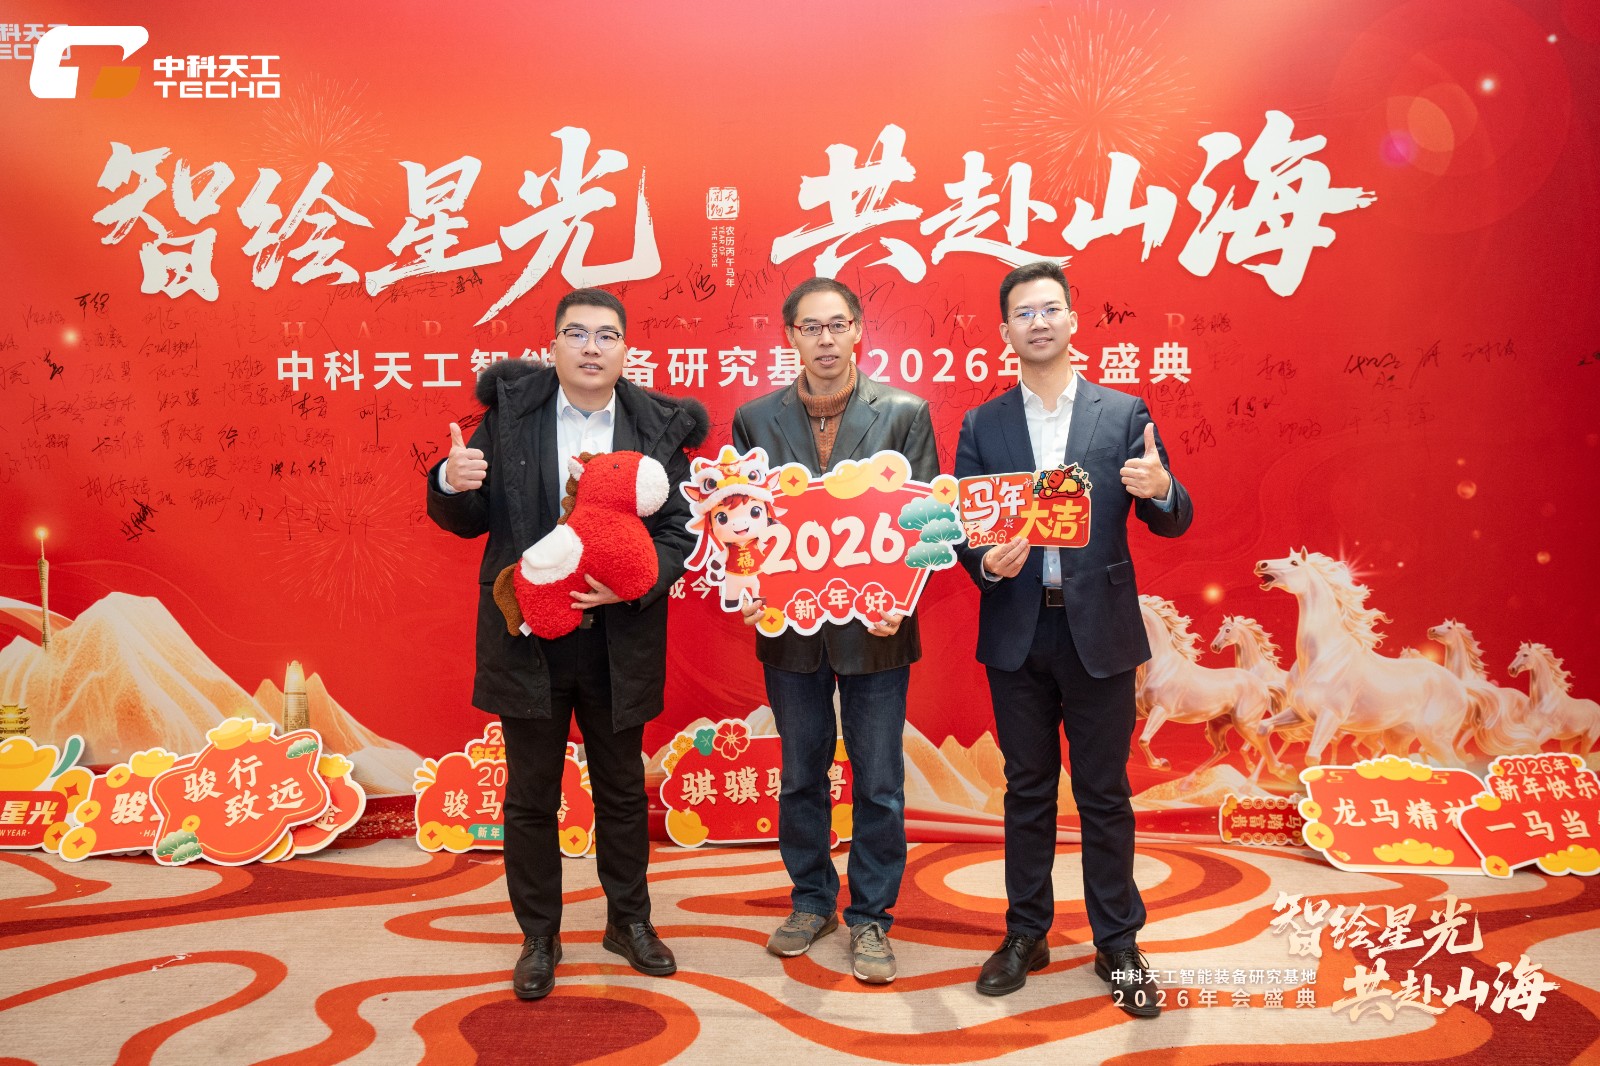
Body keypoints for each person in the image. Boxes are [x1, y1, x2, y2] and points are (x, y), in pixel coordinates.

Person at [426, 287, 707, 1001]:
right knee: (531, 796)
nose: (591, 347)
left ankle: (629, 923)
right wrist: (450, 482)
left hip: (619, 637)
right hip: (528, 638)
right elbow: (467, 515)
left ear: (625, 350)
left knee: (621, 791)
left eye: (606, 335)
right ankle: (539, 936)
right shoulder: (510, 416)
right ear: (552, 345)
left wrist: (634, 583)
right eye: (576, 333)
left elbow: (679, 529)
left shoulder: (656, 427)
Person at [955, 261, 1192, 1015]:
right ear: (1005, 331)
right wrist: (984, 562)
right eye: (1024, 312)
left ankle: (1118, 941)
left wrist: (1163, 490)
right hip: (1018, 632)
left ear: (1072, 321)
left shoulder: (1122, 413)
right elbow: (964, 528)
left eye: (1050, 308)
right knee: (1026, 788)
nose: (1039, 322)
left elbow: (1171, 517)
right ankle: (1026, 932)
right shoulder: (983, 424)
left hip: (1100, 632)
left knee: (1104, 792)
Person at [730, 277, 938, 984]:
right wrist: (749, 587)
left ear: (857, 330)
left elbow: (928, 524)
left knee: (879, 781)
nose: (825, 339)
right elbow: (741, 521)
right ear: (790, 335)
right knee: (800, 775)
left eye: (837, 325)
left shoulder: (905, 412)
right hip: (789, 630)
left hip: (878, 625)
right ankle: (811, 900)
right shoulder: (754, 419)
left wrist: (905, 596)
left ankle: (872, 917)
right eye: (810, 327)